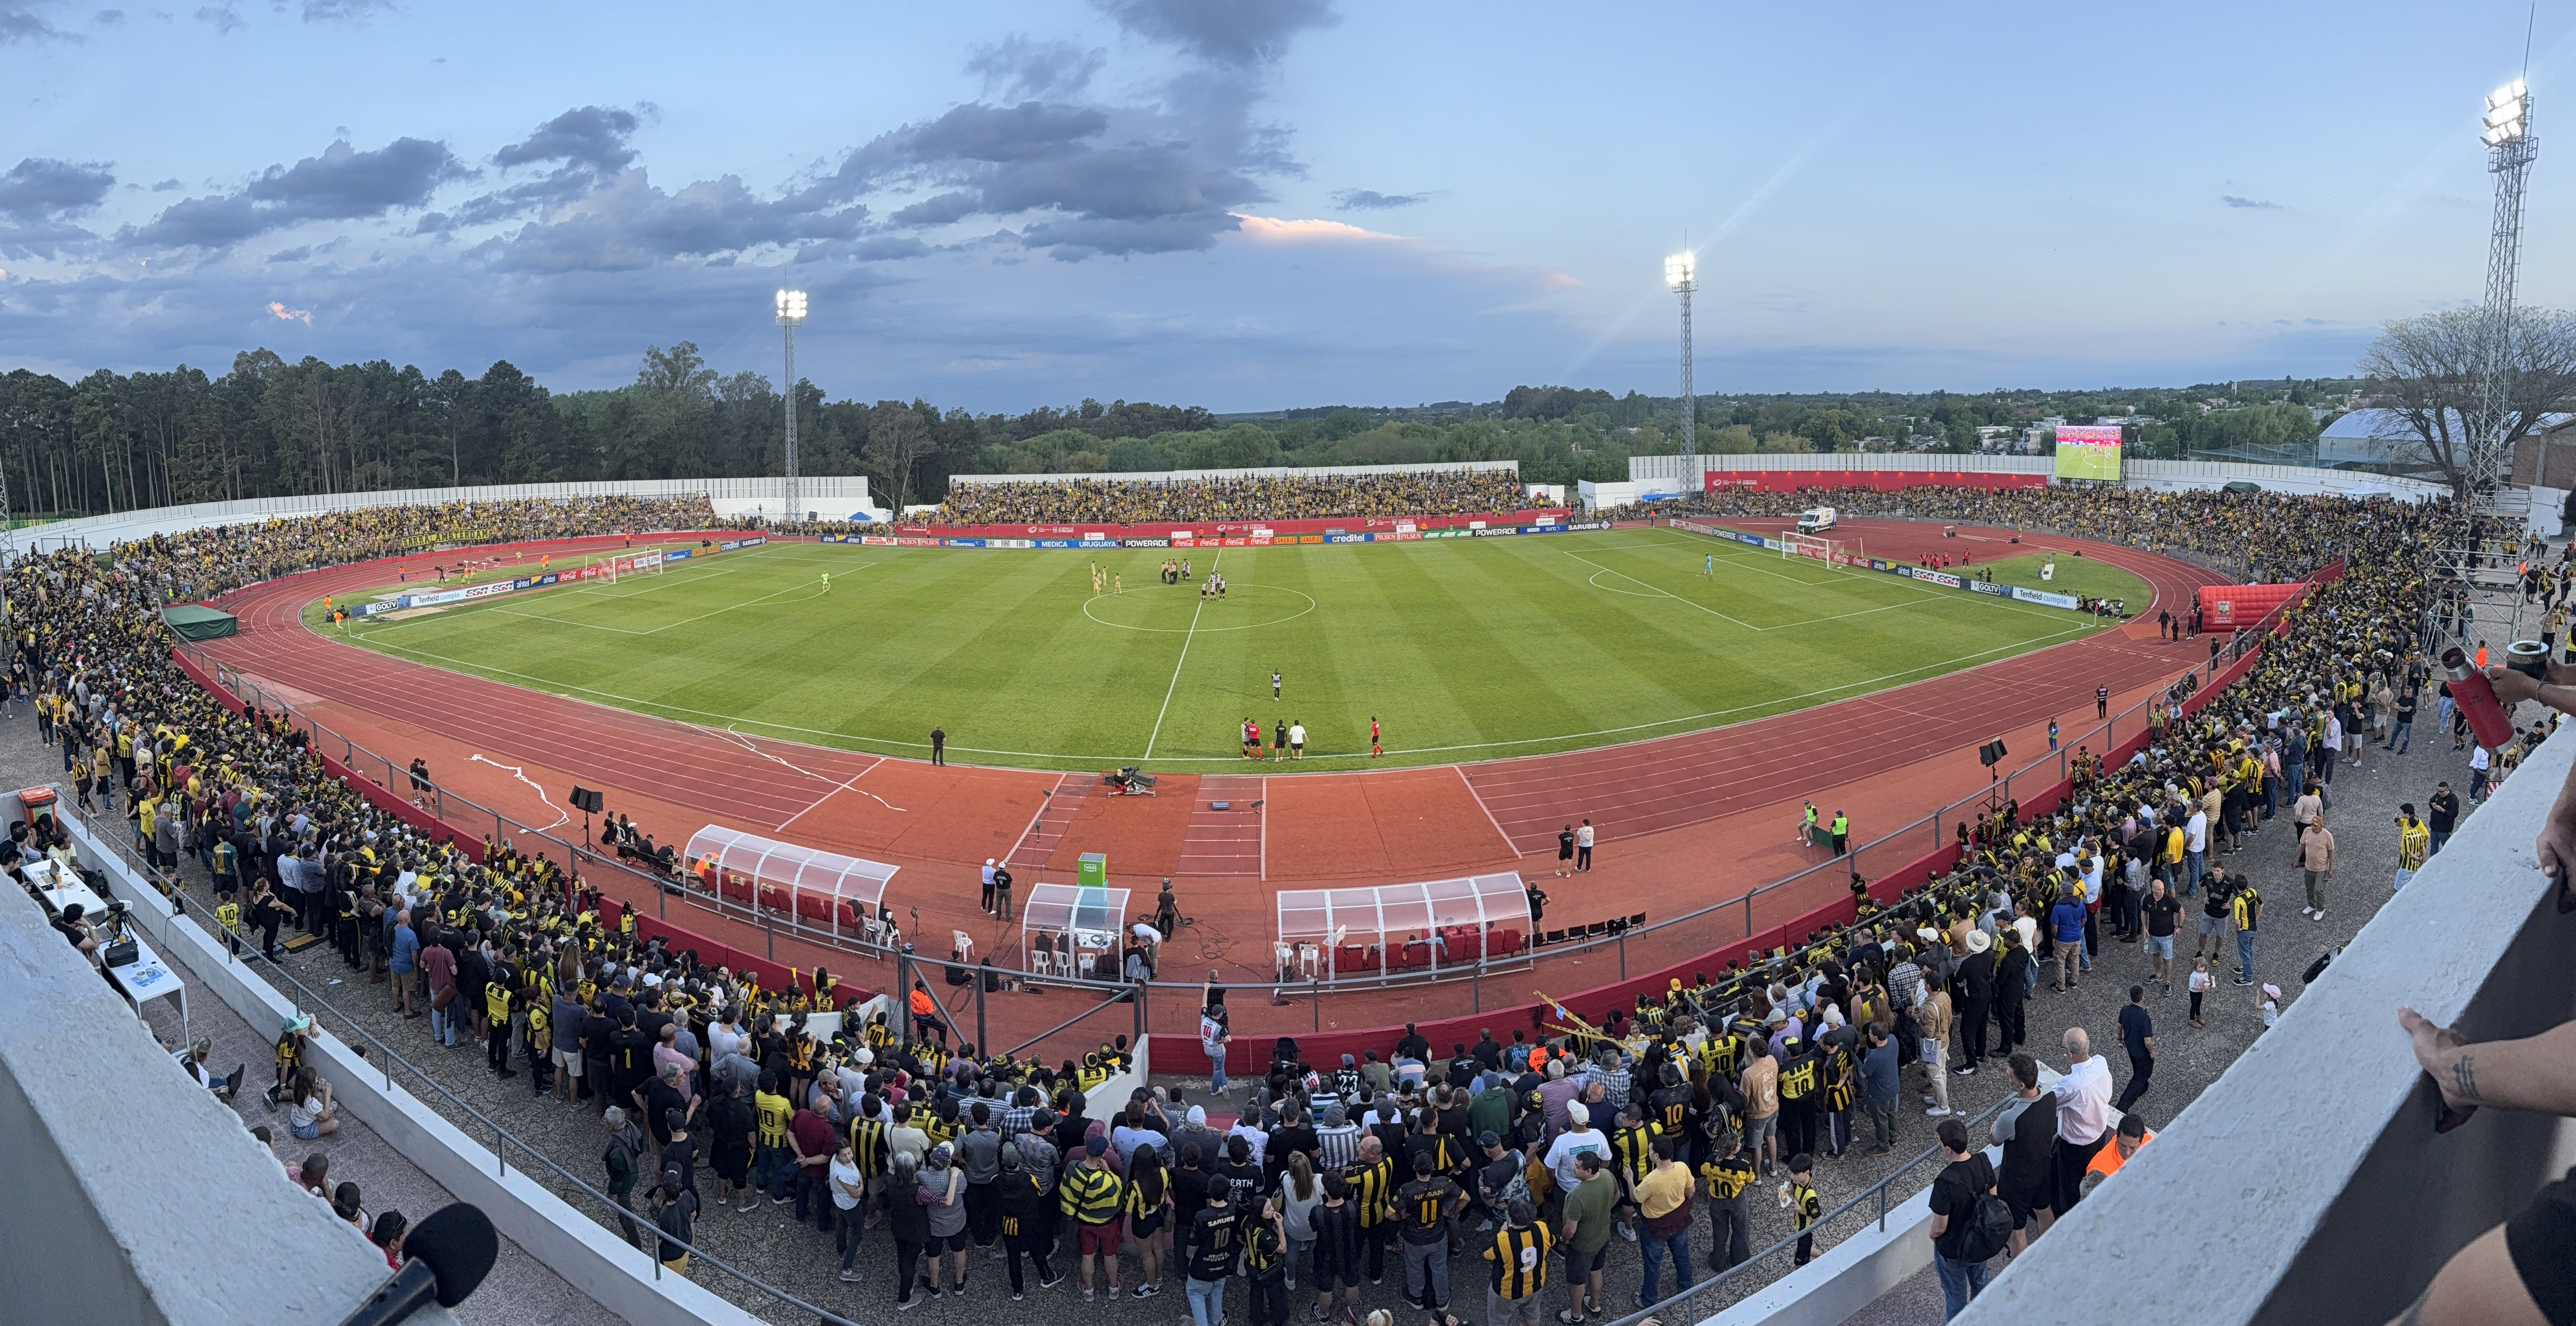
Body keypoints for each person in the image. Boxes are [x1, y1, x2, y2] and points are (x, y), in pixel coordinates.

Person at [1927, 1116, 1997, 1319]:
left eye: (1941, 1144)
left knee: (1956, 1297)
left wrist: (1933, 1237)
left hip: (1954, 1249)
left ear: (1948, 1149)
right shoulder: (1983, 1162)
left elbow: (1940, 1226)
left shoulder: (1944, 1182)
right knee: (1981, 1286)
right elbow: (1994, 1196)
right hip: (1981, 1239)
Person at [2052, 1027, 2113, 1214]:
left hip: (2076, 1146)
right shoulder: (2101, 1063)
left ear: (2070, 1054)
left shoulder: (2070, 1084)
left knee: (2070, 1189)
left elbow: (2051, 1103)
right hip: (2099, 1135)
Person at [1557, 1152, 1615, 1325]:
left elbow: (1570, 1230)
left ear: (1588, 1171)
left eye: (1577, 1167)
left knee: (1577, 1282)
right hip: (1603, 1237)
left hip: (1582, 1247)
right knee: (1596, 1270)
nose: (1573, 1169)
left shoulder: (1577, 1196)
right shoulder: (1607, 1175)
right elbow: (1617, 1197)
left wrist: (1564, 1240)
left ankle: (1576, 1316)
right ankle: (1594, 1305)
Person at [1184, 1176, 1242, 1326]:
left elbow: (1194, 1243)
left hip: (1204, 1264)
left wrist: (1193, 1258)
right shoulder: (1233, 1210)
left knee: (1195, 1293)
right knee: (1218, 1289)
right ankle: (1216, 1321)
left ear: (1209, 1192)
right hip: (1224, 1261)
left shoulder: (1202, 1216)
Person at [2115, 986, 2156, 1111]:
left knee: (2138, 1070)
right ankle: (2122, 1107)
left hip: (2131, 1049)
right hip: (2142, 1053)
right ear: (2142, 998)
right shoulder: (2144, 1017)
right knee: (2141, 1076)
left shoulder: (2125, 1010)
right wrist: (2151, 1052)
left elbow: (2119, 1026)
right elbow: (2148, 1041)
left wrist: (2120, 1039)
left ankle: (2144, 1086)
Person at [1783, 1154, 1821, 1266]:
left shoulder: (1811, 1197)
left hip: (1805, 1230)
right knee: (1806, 1248)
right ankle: (1821, 1256)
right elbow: (1795, 1188)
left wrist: (1802, 1210)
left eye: (1795, 1174)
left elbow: (1818, 1218)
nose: (1792, 1177)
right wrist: (1791, 1191)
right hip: (1799, 1225)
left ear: (1807, 1173)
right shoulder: (1798, 1182)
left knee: (1800, 1262)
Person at [2298, 815, 2336, 922]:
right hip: (2309, 866)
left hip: (2322, 868)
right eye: (2312, 825)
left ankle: (2321, 909)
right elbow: (2302, 846)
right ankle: (2312, 905)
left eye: (2315, 826)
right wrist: (2297, 860)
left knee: (2319, 889)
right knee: (2309, 888)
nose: (2313, 827)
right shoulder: (2307, 831)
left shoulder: (2327, 835)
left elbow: (2331, 852)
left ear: (2321, 826)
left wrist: (2331, 868)